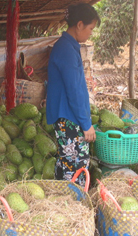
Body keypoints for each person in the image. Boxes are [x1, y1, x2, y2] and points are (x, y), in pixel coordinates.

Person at [46, 3, 100, 187]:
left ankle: (63, 200)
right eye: (91, 28)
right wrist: (86, 125)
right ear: (79, 25)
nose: (91, 33)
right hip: (69, 118)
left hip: (67, 116)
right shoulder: (66, 50)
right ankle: (73, 204)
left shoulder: (69, 46)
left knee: (67, 162)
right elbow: (75, 91)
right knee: (77, 165)